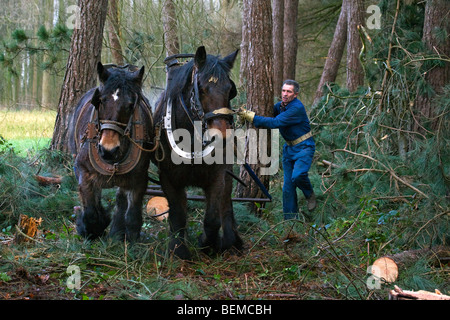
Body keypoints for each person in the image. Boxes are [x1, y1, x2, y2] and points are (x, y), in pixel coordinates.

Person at [238, 79, 316, 221]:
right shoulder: (280, 106)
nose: (285, 94)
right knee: (287, 189)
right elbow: (267, 114)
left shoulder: (296, 108)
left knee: (298, 176)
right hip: (289, 149)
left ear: (295, 94)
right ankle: (291, 222)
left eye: (289, 91)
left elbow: (275, 122)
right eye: (283, 91)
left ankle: (309, 194)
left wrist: (251, 117)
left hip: (304, 147)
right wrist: (244, 114)